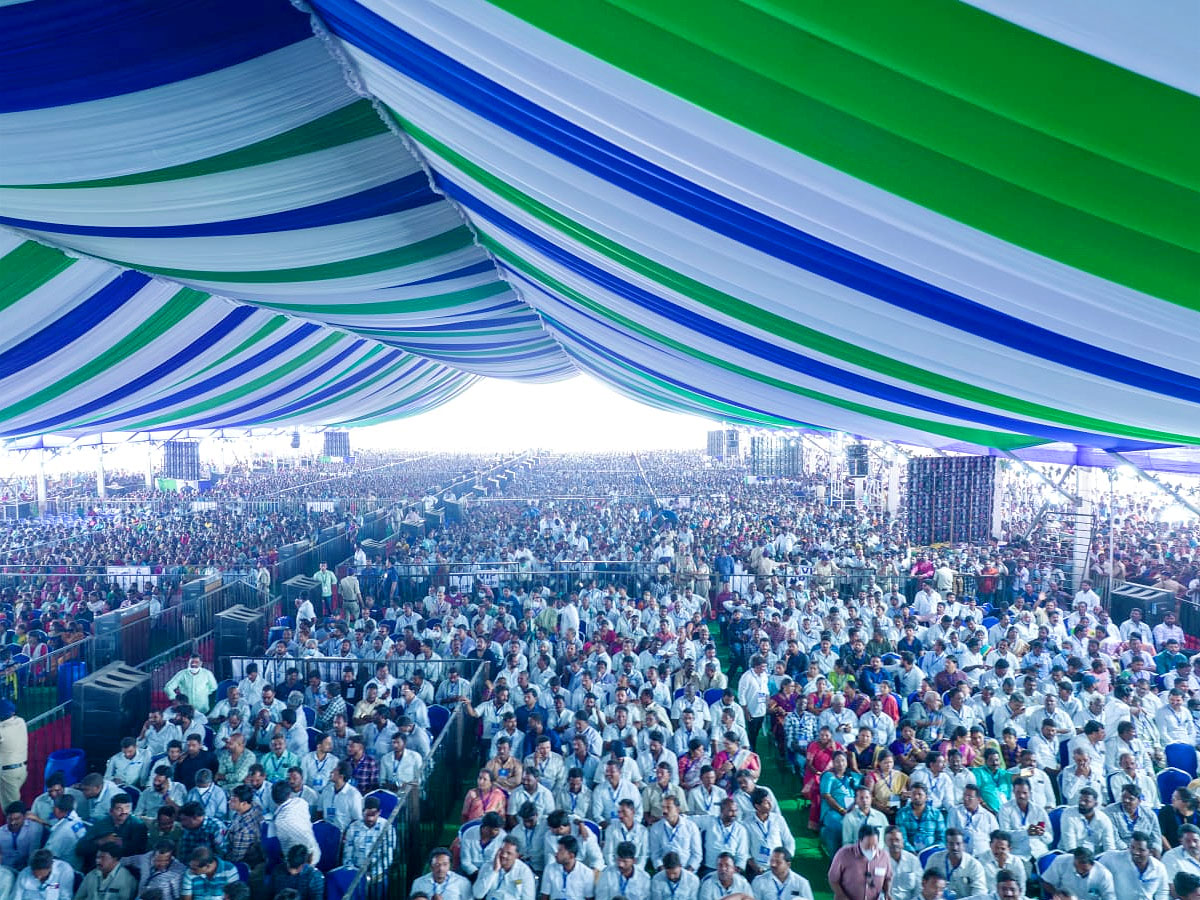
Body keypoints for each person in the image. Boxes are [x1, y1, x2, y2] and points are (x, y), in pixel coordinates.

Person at [1098, 832, 1167, 900]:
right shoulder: (1114, 858)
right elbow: (1095, 870)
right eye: (1132, 847)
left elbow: (1162, 891)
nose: (1135, 852)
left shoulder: (1159, 867)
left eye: (1141, 850)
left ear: (1150, 852)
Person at [925, 829, 986, 899]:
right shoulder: (934, 859)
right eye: (951, 844)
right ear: (946, 845)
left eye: (958, 844)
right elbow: (926, 886)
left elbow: (979, 894)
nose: (955, 848)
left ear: (963, 845)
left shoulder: (974, 865)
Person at [1041, 848, 1117, 900]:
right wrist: (1056, 893)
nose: (1080, 872)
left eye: (1084, 870)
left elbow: (1110, 898)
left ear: (1093, 864)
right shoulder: (1061, 861)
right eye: (1077, 867)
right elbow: (1046, 882)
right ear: (1074, 860)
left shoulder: (1104, 875)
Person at [538, 835, 596, 900]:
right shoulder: (549, 869)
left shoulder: (587, 873)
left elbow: (589, 897)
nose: (556, 854)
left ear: (571, 855)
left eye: (560, 851)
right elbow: (545, 895)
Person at [0, 701, 27, 810]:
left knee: (12, 810)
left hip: (8, 774)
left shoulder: (2, 731)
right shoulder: (20, 722)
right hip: (21, 770)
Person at [0, 802, 42, 871]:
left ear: (25, 817)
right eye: (10, 819)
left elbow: (33, 853)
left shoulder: (34, 828)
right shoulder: (1, 832)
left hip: (27, 868)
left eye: (17, 819)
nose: (13, 823)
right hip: (6, 869)